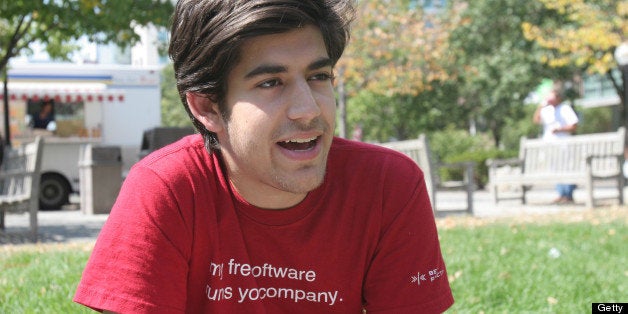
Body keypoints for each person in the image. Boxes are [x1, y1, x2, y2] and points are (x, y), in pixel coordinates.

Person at [73, 1, 454, 312]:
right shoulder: (166, 188)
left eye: (318, 76)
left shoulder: (388, 185)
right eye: (270, 83)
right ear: (207, 106)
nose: (308, 109)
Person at [532, 84, 579, 204]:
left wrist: (559, 130)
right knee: (555, 168)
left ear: (558, 97)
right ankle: (561, 193)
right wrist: (541, 105)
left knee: (566, 168)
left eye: (551, 96)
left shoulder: (565, 108)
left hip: (563, 145)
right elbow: (536, 120)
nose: (549, 99)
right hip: (550, 145)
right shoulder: (546, 110)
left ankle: (568, 195)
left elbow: (573, 126)